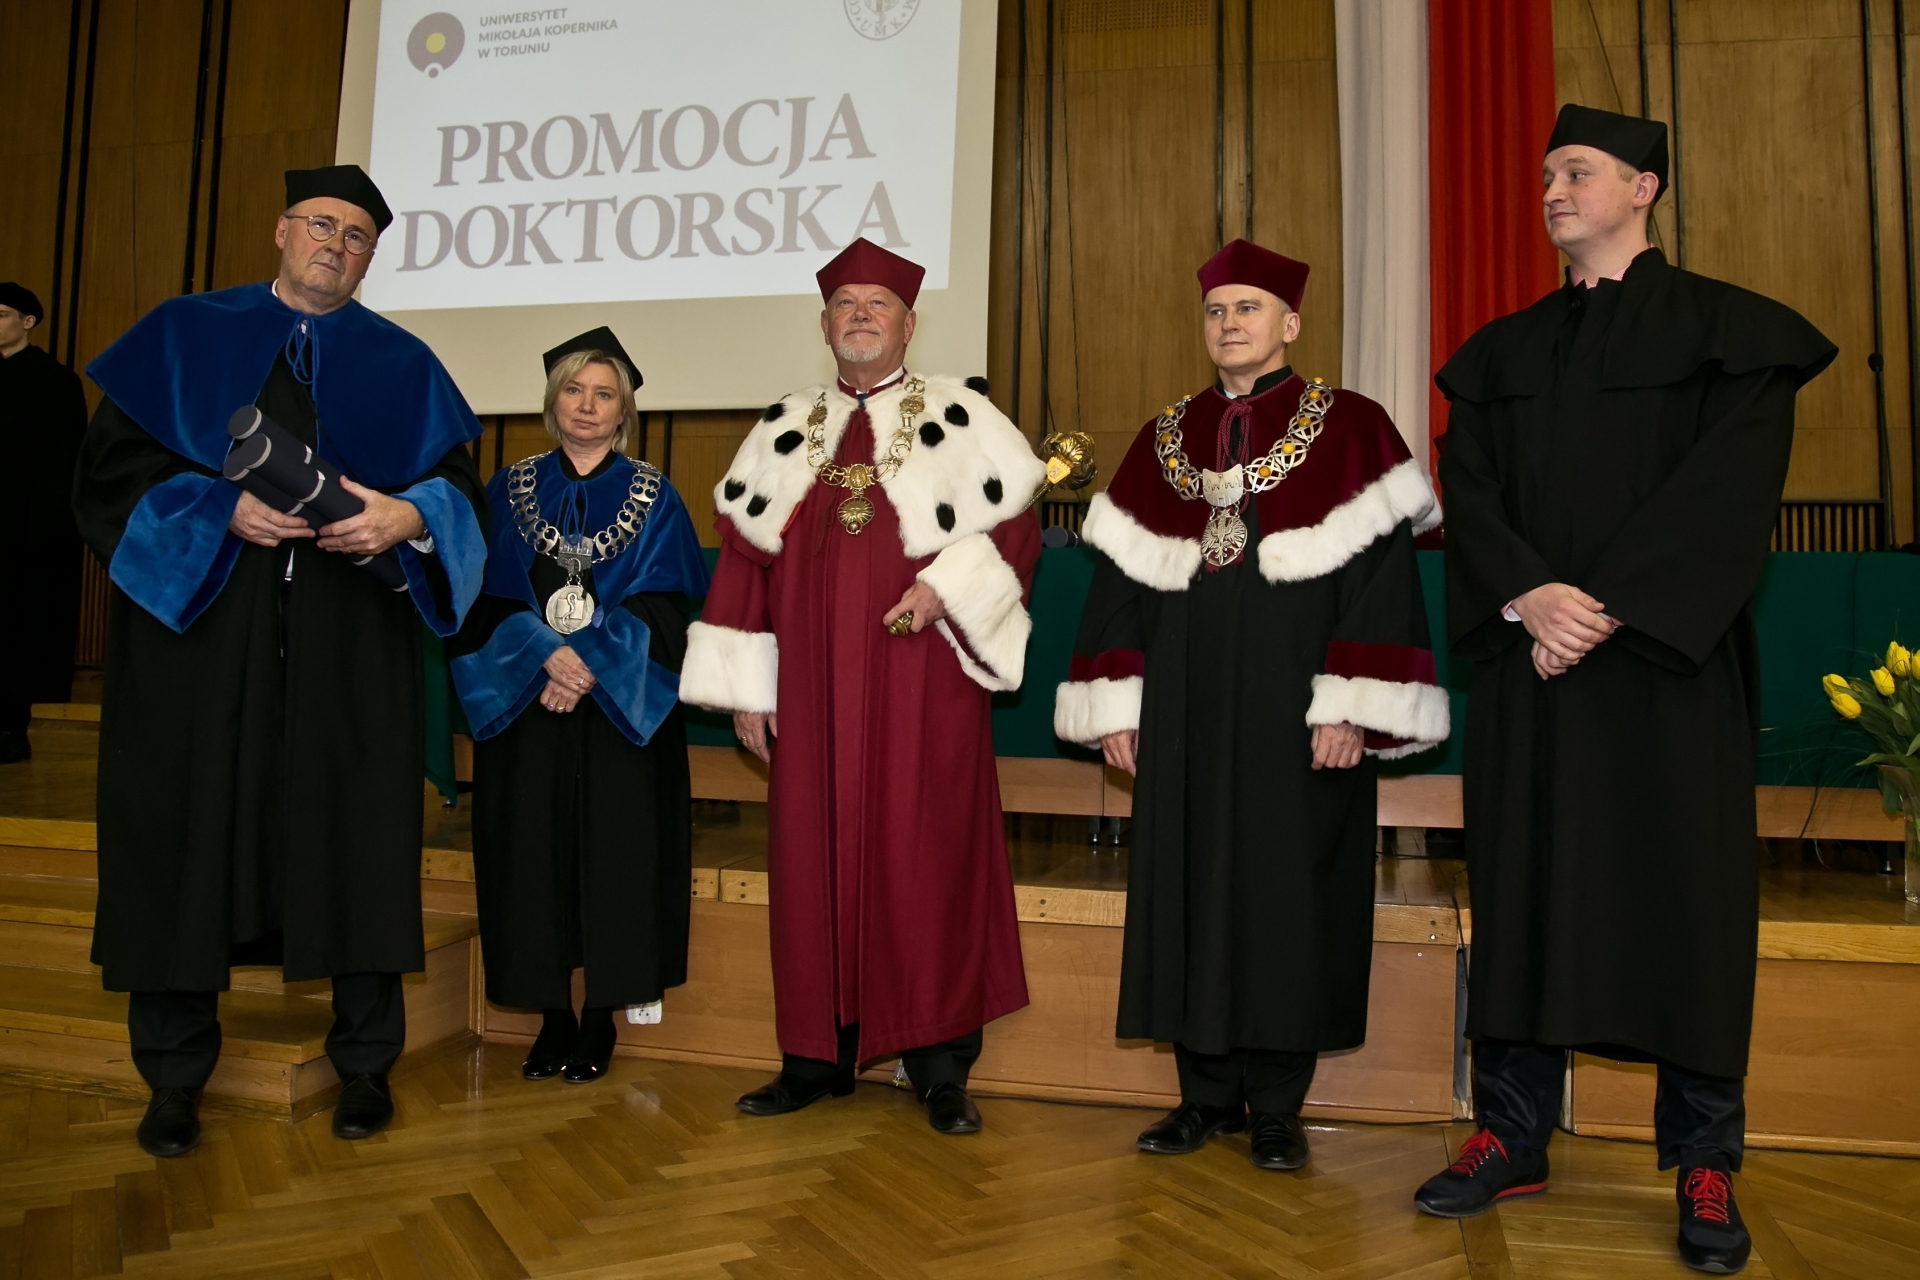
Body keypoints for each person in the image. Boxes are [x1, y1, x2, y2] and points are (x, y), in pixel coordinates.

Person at [1415, 105, 1836, 1275]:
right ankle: (1511, 1131)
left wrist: (1599, 609)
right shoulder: (1504, 351)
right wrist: (1528, 596)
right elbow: (1471, 487)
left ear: (1644, 188)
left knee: (1687, 904)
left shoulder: (1730, 334)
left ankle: (1704, 1156)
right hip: (1535, 673)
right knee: (1523, 892)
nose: (1553, 190)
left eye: (1579, 171)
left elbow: (1728, 494)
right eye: (1547, 174)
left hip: (1665, 673)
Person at [74, 165, 488, 1158]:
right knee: (183, 825)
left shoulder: (403, 362)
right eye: (321, 226)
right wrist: (220, 508)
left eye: (357, 237)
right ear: (281, 230)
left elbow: (456, 493)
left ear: (371, 257)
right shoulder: (185, 333)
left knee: (356, 827)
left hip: (349, 642)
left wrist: (407, 517)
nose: (335, 246)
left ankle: (365, 1063)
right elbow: (108, 480)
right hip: (202, 637)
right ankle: (174, 1074)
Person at [1054, 239, 1447, 1172]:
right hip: (1183, 713)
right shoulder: (1165, 437)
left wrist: (1351, 706)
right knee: (1187, 886)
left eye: (1248, 308)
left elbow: (1383, 582)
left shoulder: (1352, 427)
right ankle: (1202, 1097)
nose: (1229, 324)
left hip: (1299, 713)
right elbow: (1116, 587)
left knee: (1289, 895)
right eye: (1216, 311)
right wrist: (1117, 702)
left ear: (1290, 323)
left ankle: (1276, 1106)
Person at [679, 238, 1043, 1135]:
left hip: (925, 686)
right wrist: (747, 687)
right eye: (846, 304)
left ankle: (939, 1065)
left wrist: (946, 586)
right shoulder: (784, 426)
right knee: (811, 863)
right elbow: (745, 561)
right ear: (824, 325)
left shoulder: (962, 415)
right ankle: (815, 1057)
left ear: (909, 324)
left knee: (928, 860)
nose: (861, 317)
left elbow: (1016, 533)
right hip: (809, 691)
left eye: (879, 304)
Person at [449, 327, 708, 1085]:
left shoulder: (655, 496)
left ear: (623, 410)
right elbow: (479, 598)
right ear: (552, 400)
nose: (587, 406)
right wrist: (544, 652)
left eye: (604, 394)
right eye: (574, 390)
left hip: (621, 708)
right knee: (531, 855)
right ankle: (550, 1015)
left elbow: (667, 606)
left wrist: (589, 661)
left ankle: (600, 1015)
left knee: (619, 856)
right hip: (528, 701)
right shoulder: (507, 488)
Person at [0, 283, 87, 763]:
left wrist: (42, 529)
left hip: (25, 532)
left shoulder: (54, 382)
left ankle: (11, 727)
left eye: (1, 313)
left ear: (27, 321)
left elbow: (63, 462)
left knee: (21, 630)